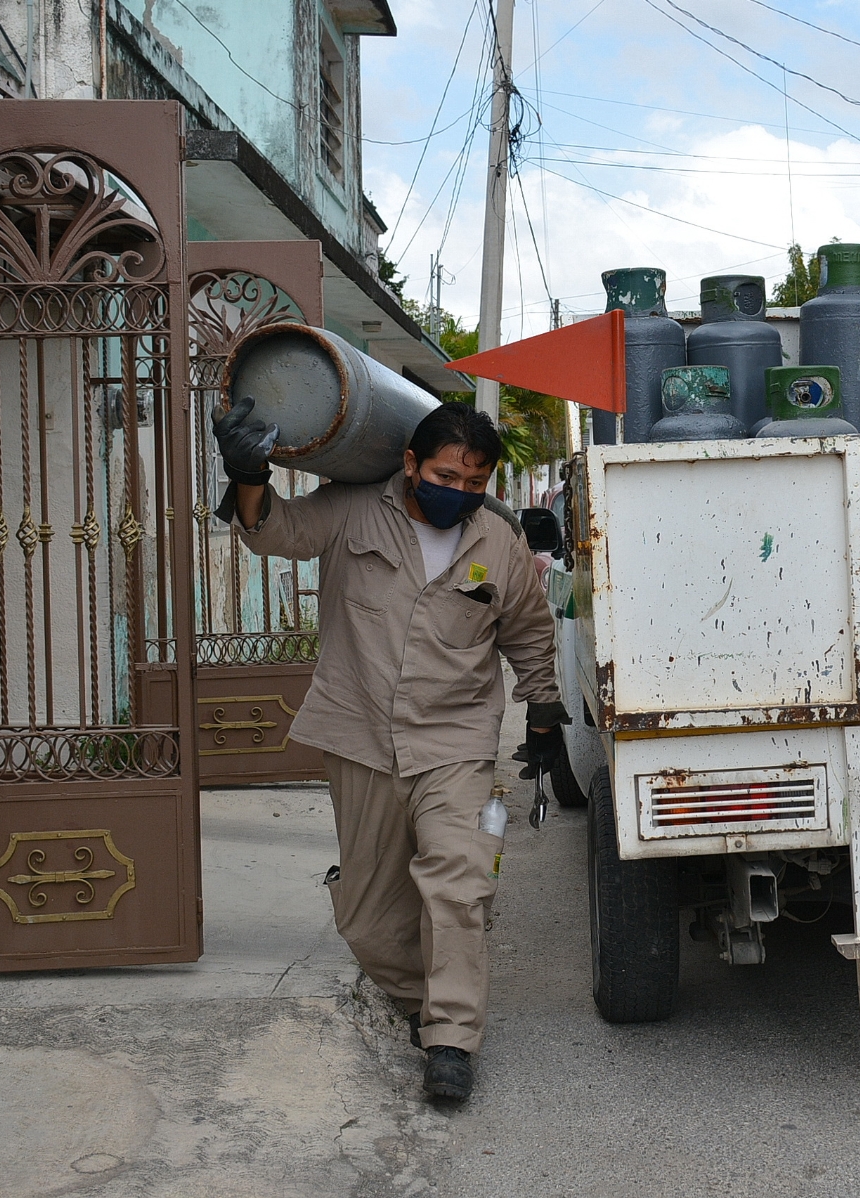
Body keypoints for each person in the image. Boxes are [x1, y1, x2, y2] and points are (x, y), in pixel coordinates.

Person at [215, 397, 567, 1103]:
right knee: (367, 916)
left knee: (462, 880)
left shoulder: (495, 542)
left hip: (457, 741)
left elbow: (527, 629)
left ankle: (450, 1038)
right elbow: (270, 531)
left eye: (474, 484)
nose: (459, 493)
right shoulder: (350, 510)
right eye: (445, 476)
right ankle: (420, 996)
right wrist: (248, 470)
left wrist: (543, 710)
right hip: (360, 735)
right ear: (410, 463)